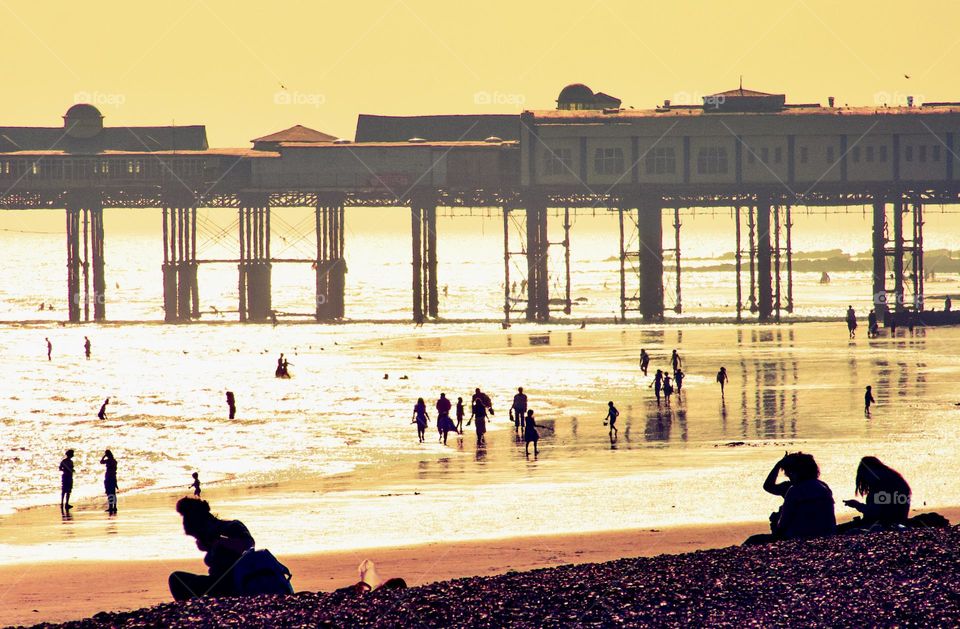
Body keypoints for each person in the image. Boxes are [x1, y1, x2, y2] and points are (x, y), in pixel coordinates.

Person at [168, 497, 255, 601]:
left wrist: (219, 541)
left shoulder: (232, 526)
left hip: (234, 583)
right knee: (179, 579)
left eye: (196, 533)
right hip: (218, 583)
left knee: (176, 579)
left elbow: (249, 544)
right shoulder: (209, 535)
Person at [745, 452, 836, 545]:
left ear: (795, 472)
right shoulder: (823, 487)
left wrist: (778, 465)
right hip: (827, 533)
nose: (787, 475)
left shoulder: (794, 490)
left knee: (752, 540)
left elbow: (783, 524)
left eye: (788, 472)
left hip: (800, 537)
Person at [840, 457, 911, 532]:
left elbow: (876, 512)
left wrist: (857, 505)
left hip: (884, 525)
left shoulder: (884, 484)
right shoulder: (892, 479)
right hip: (893, 523)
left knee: (845, 531)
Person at [100, 450, 118, 514]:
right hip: (113, 477)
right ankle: (114, 507)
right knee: (113, 493)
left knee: (109, 493)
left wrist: (104, 456)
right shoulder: (114, 461)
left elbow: (101, 462)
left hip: (109, 477)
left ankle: (111, 507)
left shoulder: (108, 461)